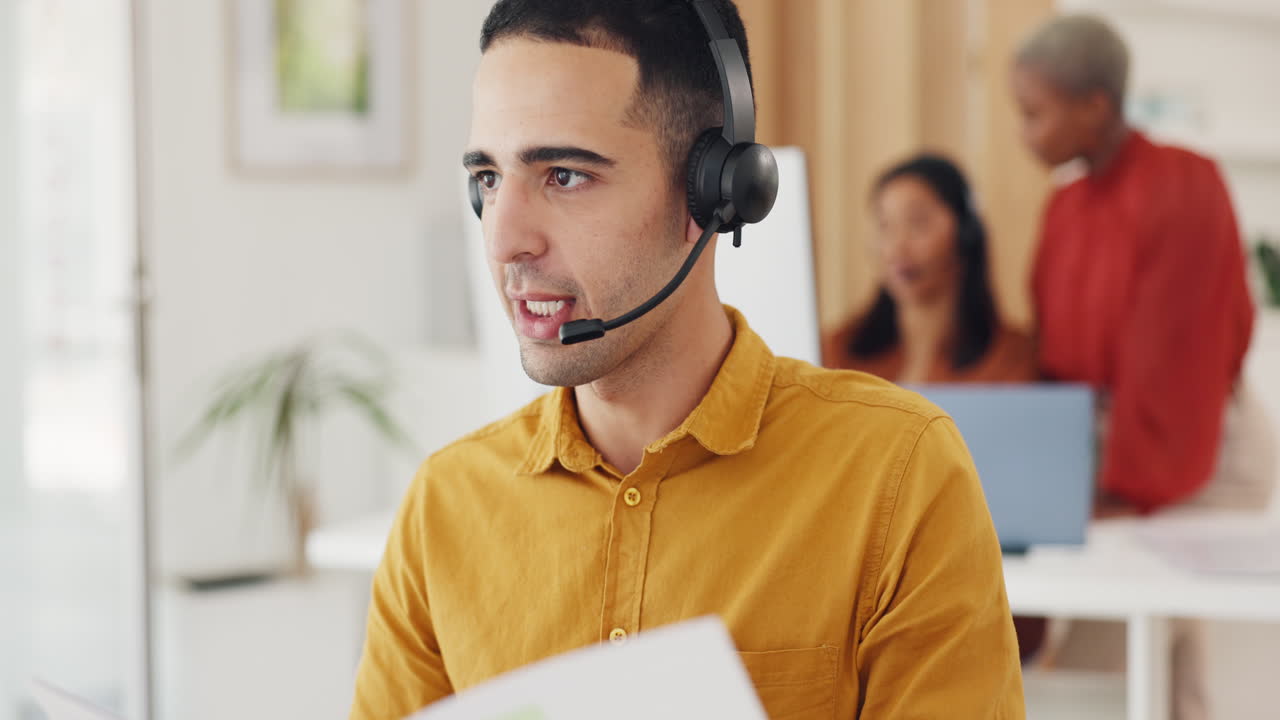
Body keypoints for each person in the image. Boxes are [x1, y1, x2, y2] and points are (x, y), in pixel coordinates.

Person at [350, 2, 1024, 718]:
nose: (504, 239)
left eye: (564, 176)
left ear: (713, 193)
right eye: (488, 178)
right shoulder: (443, 510)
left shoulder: (896, 474)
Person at [1012, 15, 1272, 720]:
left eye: (1035, 113)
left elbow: (1174, 357)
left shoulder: (1183, 185)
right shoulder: (1066, 203)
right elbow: (1054, 349)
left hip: (1198, 448)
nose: (1023, 133)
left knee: (1124, 645)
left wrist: (1125, 488)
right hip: (1123, 448)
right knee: (1170, 665)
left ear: (1095, 106)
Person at [822, 154, 1036, 385]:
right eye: (885, 225)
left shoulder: (1012, 357)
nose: (897, 247)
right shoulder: (838, 350)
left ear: (965, 235)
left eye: (918, 222)